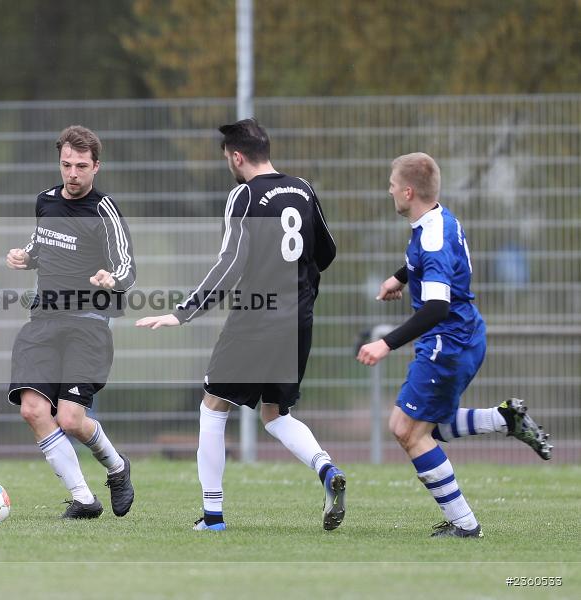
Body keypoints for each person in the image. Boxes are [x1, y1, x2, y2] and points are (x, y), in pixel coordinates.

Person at [136, 118, 346, 532]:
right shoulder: (303, 188)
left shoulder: (244, 195)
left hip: (255, 317)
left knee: (213, 406)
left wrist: (183, 312)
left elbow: (229, 264)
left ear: (236, 157)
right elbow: (328, 250)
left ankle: (212, 517)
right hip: (297, 317)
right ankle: (326, 469)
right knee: (275, 413)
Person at [356, 152, 552, 538]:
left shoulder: (430, 235)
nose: (390, 190)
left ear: (408, 191)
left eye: (393, 185)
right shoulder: (440, 218)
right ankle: (504, 420)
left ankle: (465, 525)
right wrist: (401, 277)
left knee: (408, 431)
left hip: (447, 343)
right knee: (424, 426)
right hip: (462, 337)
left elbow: (436, 306)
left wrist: (386, 344)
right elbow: (435, 267)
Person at [6, 125, 136, 519]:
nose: (73, 174)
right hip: (43, 321)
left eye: (82, 166)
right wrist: (25, 255)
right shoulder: (45, 201)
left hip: (87, 324)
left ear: (97, 166)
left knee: (71, 418)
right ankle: (83, 499)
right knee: (32, 410)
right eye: (66, 165)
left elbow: (127, 266)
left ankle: (116, 468)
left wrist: (111, 279)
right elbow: (42, 242)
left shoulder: (104, 210)